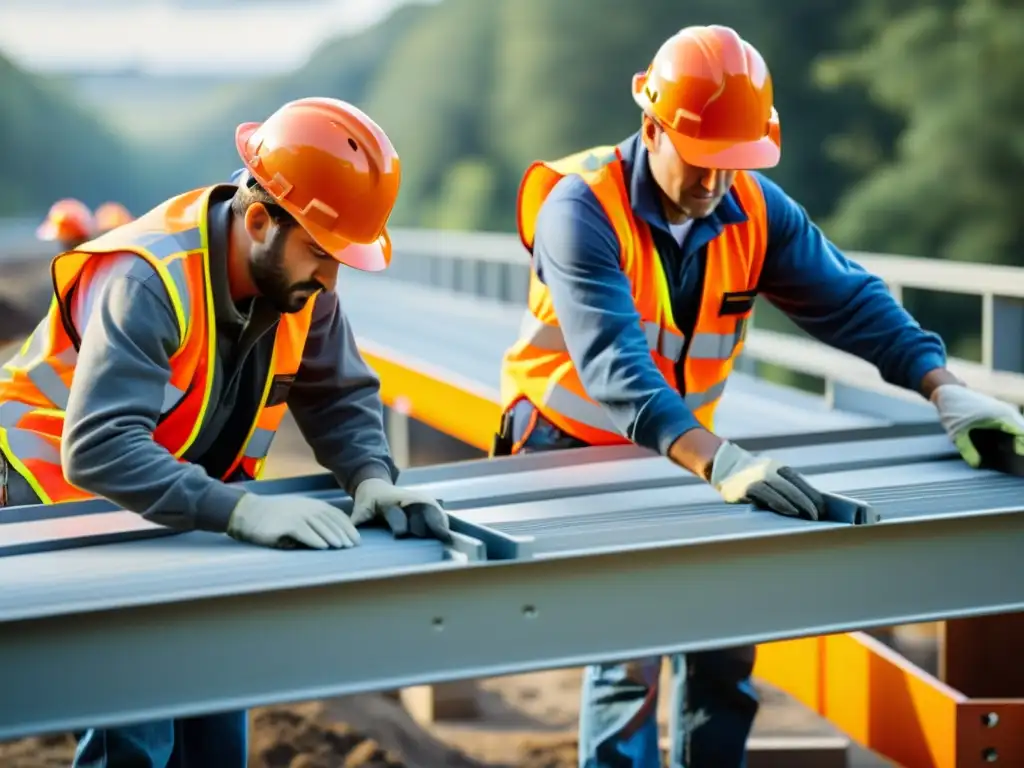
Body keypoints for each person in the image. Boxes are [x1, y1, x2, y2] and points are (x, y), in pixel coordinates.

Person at [495, 24, 1024, 768]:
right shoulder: (580, 208)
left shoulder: (751, 207)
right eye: (704, 159)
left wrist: (947, 390)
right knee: (632, 648)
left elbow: (852, 302)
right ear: (653, 126)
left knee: (728, 624)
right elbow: (615, 365)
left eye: (735, 163)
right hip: (571, 446)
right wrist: (721, 464)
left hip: (685, 444)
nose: (716, 184)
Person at [0, 96, 450, 767]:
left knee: (217, 709)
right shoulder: (148, 279)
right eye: (322, 253)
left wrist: (372, 476)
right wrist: (240, 510)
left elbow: (339, 394)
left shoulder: (302, 286)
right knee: (140, 725)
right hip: (70, 499)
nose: (332, 277)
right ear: (261, 219)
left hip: (178, 499)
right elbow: (98, 447)